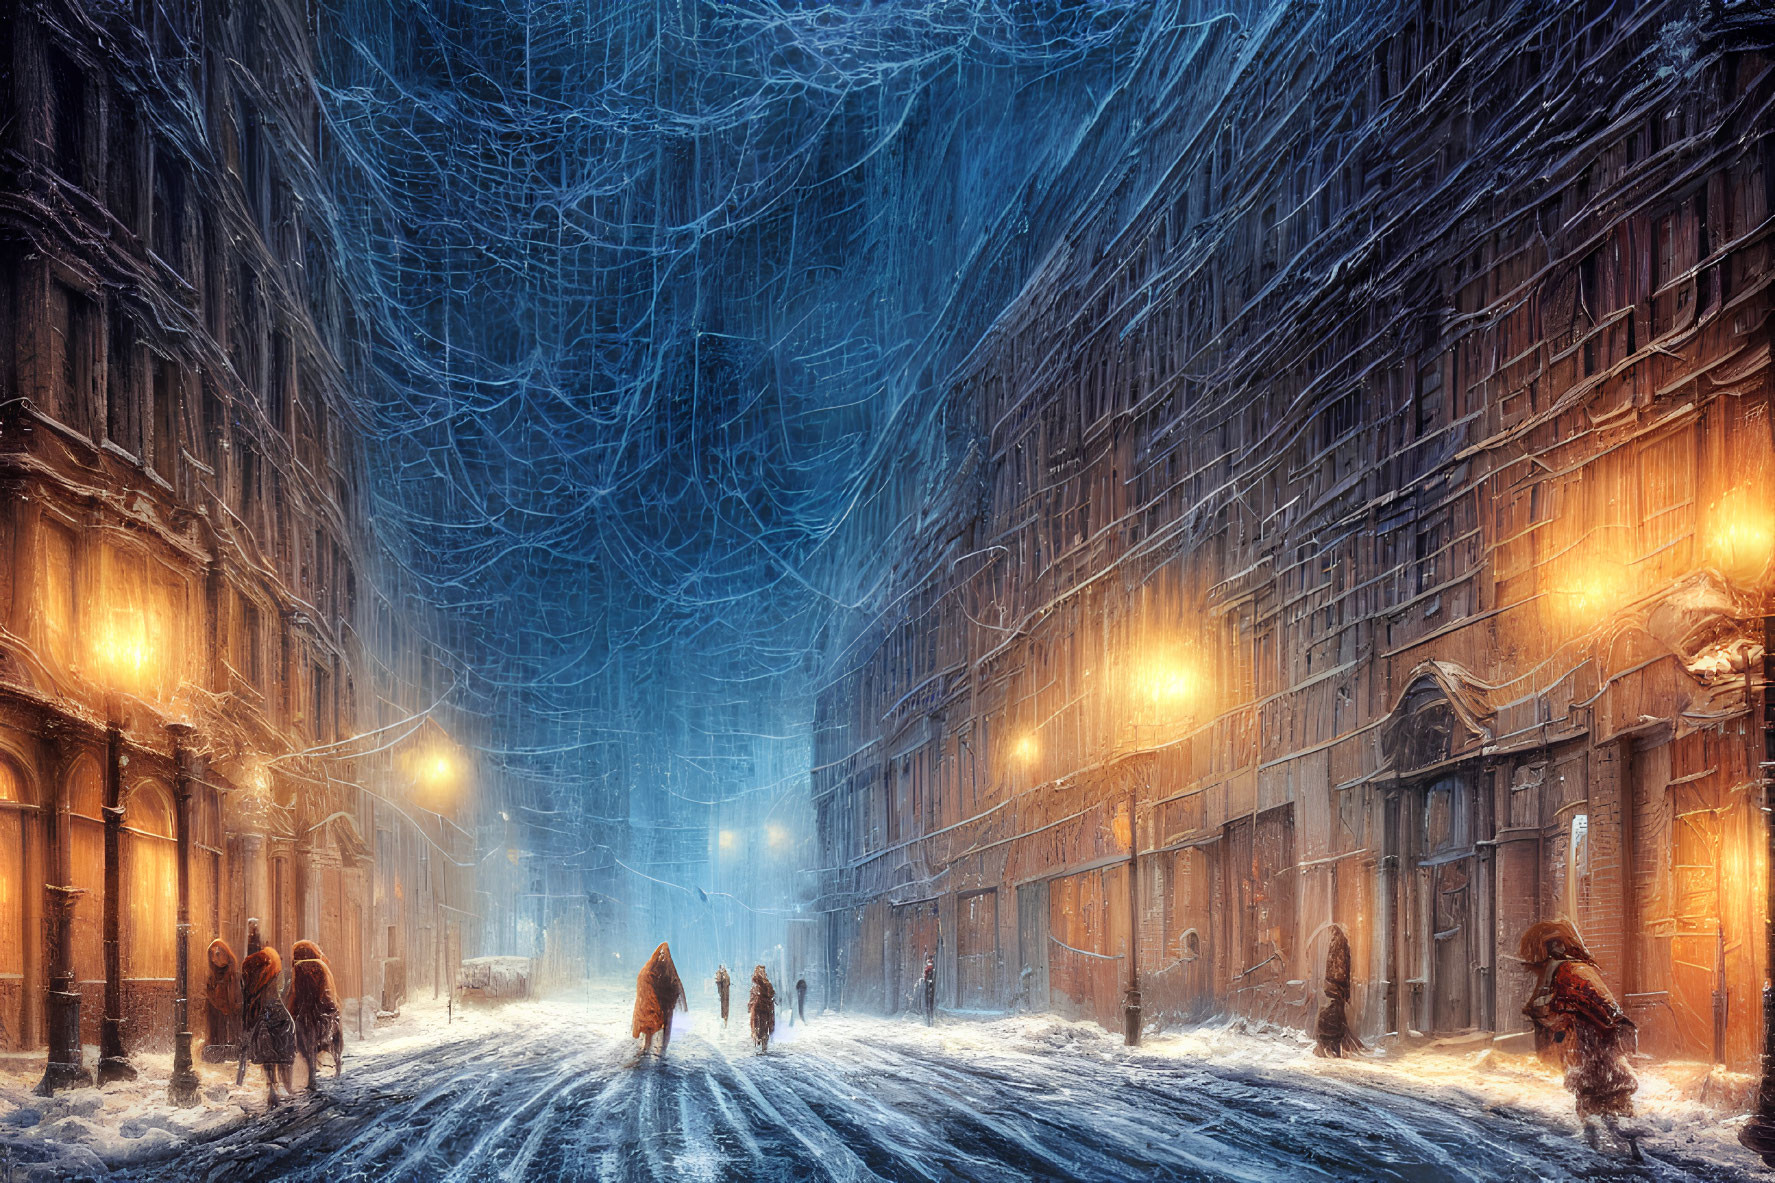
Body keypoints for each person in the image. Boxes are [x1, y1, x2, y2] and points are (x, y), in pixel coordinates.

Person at [1519, 919, 1640, 1157]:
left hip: (1595, 1056)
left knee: (1608, 1110)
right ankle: (1613, 1156)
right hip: (1588, 1056)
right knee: (1596, 1111)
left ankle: (1629, 1158)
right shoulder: (1564, 971)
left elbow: (1601, 1008)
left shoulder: (1570, 971)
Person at [237, 942, 296, 1104]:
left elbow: (246, 998)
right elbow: (282, 990)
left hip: (261, 1016)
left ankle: (271, 1087)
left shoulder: (249, 973)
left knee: (268, 1055)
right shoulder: (275, 972)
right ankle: (286, 1086)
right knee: (283, 1052)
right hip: (279, 1015)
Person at [286, 939, 344, 1088]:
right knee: (330, 1041)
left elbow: (294, 992)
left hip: (305, 1010)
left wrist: (292, 1010)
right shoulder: (320, 966)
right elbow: (326, 991)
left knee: (305, 1045)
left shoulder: (298, 968)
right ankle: (337, 1068)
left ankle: (311, 1074)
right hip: (321, 1009)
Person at [1313, 925, 1364, 1058]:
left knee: (1333, 1014)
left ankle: (1331, 1046)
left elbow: (1341, 970)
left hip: (1334, 987)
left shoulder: (1338, 943)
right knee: (1332, 1014)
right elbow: (1340, 970)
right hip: (1334, 987)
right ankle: (1330, 1046)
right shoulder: (1339, 943)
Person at [631, 943, 687, 1058]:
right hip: (660, 1000)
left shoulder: (660, 973)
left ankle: (655, 1050)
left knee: (661, 1024)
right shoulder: (650, 973)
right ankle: (651, 1049)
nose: (662, 958)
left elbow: (673, 989)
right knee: (653, 1024)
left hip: (665, 999)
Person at [204, 938, 242, 1059]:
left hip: (231, 1012)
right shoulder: (212, 976)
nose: (215, 958)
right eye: (212, 955)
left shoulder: (234, 975)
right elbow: (210, 994)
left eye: (218, 954)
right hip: (216, 1012)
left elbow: (236, 996)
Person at [749, 965, 776, 1054]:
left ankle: (763, 1047)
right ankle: (759, 1045)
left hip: (765, 1009)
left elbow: (771, 993)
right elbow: (752, 996)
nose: (761, 973)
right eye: (759, 971)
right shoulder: (757, 984)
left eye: (762, 972)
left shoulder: (764, 983)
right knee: (758, 1028)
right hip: (758, 1009)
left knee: (764, 1028)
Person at [921, 954, 936, 1026]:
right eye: (929, 963)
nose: (930, 964)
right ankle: (929, 1021)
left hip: (931, 985)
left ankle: (930, 1020)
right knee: (929, 1003)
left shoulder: (932, 969)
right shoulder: (929, 970)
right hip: (929, 985)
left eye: (931, 963)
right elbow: (926, 973)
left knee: (930, 1003)